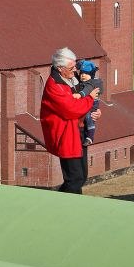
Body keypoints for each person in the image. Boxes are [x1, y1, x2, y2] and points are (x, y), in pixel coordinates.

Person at [40, 47, 102, 194]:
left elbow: (81, 105)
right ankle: (63, 207)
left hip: (78, 131)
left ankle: (66, 205)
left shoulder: (70, 79)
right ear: (60, 68)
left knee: (81, 176)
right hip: (66, 134)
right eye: (71, 67)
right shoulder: (54, 85)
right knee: (74, 178)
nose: (75, 70)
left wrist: (95, 111)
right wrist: (90, 99)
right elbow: (71, 110)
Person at [73, 59, 103, 146]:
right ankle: (89, 137)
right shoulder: (81, 80)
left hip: (91, 106)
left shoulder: (91, 83)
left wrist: (79, 95)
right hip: (77, 127)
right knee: (88, 117)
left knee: (89, 119)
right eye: (81, 73)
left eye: (85, 74)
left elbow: (87, 90)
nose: (82, 76)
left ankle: (90, 136)